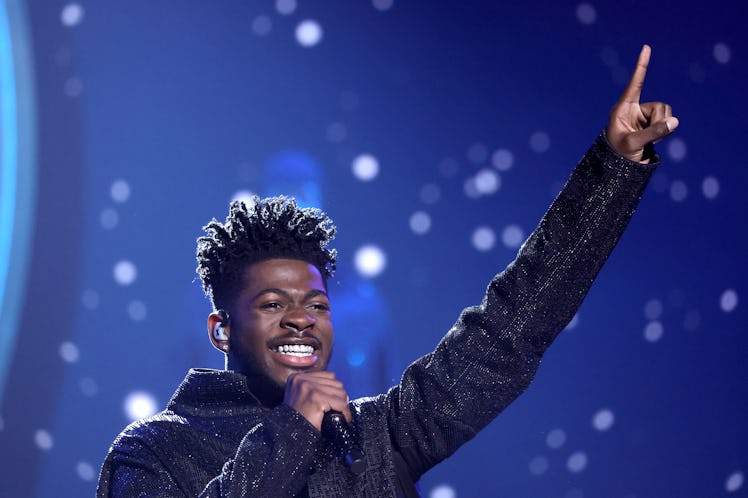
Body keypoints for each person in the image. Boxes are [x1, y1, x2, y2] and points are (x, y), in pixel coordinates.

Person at [97, 45, 678, 497]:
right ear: (221, 330)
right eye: (273, 304)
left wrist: (614, 167)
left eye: (317, 305)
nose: (301, 320)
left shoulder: (378, 435)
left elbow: (509, 330)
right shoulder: (153, 451)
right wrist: (292, 433)